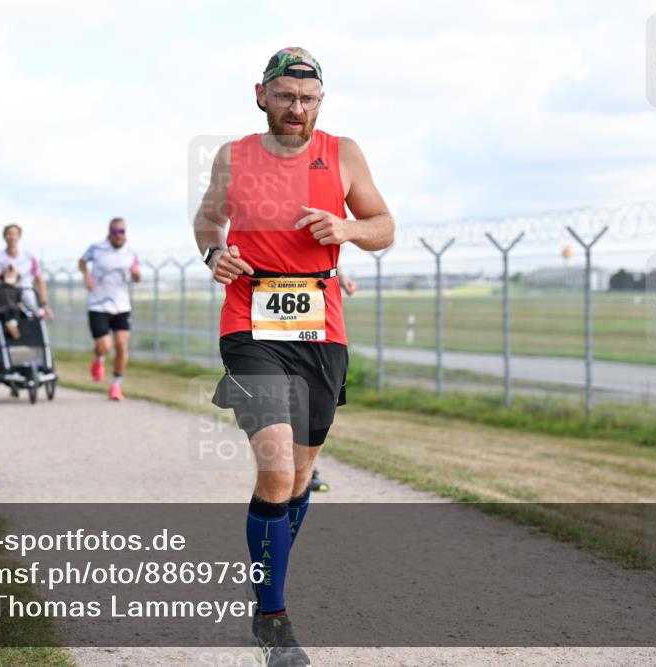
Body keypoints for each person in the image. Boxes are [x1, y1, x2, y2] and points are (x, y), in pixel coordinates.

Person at [193, 47, 394, 666]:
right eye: (285, 96)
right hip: (248, 323)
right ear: (261, 95)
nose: (296, 108)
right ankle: (272, 621)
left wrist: (348, 229)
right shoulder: (234, 157)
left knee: (300, 477)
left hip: (320, 330)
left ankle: (267, 578)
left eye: (307, 99)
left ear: (320, 103)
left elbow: (384, 225)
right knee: (277, 468)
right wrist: (213, 254)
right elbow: (207, 222)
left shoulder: (344, 153)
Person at [78, 217, 142, 401]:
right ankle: (99, 358)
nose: (119, 235)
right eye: (116, 232)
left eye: (122, 232)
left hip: (121, 305)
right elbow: (82, 261)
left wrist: (136, 275)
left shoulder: (131, 252)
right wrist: (86, 276)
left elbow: (136, 275)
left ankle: (115, 385)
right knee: (105, 346)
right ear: (109, 233)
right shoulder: (97, 248)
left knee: (122, 345)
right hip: (98, 304)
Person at [308, 266, 356, 493]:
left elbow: (329, 257)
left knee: (313, 404)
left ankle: (309, 469)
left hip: (316, 323)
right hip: (270, 324)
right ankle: (297, 468)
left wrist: (343, 278)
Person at [0, 224, 52, 321]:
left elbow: (39, 281)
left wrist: (44, 304)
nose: (11, 237)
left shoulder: (29, 258)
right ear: (4, 237)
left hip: (28, 306)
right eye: (9, 234)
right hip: (3, 307)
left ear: (19, 236)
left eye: (15, 234)